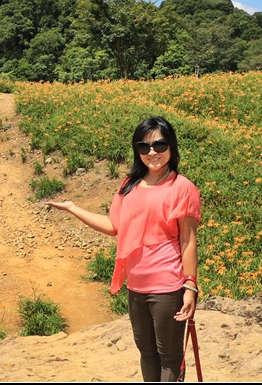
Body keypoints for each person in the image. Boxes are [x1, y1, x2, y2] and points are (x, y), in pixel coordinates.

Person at [45, 115, 201, 382]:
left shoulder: (182, 188)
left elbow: (188, 241)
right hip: (136, 287)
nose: (152, 153)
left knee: (170, 357)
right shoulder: (129, 186)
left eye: (160, 146)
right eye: (144, 147)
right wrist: (73, 208)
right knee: (147, 353)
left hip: (167, 286)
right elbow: (113, 225)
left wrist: (190, 285)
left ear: (172, 147)